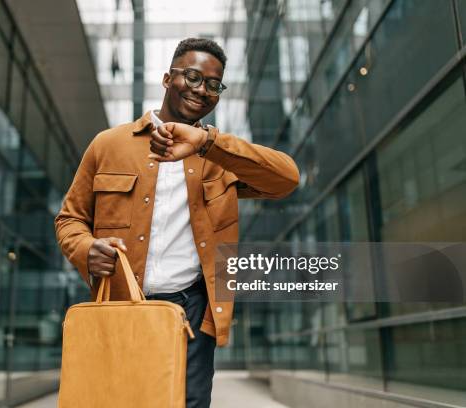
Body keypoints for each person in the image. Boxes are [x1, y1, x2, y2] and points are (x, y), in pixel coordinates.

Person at [55, 37, 299, 408]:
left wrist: (206, 142)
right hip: (120, 309)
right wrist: (87, 249)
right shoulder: (108, 145)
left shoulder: (219, 156)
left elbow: (286, 179)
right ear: (168, 79)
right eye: (193, 77)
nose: (202, 90)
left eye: (214, 84)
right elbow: (70, 218)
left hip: (191, 314)